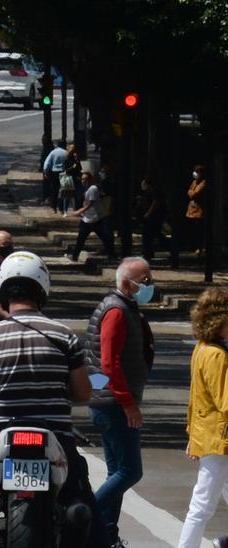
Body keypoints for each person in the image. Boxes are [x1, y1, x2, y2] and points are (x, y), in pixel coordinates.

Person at [0, 251, 103, 548]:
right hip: (55, 436)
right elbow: (84, 393)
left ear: (4, 290)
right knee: (80, 490)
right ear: (42, 289)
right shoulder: (65, 336)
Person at [87, 257, 155, 547]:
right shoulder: (116, 310)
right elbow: (109, 363)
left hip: (108, 399)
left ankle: (106, 536)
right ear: (128, 283)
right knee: (130, 471)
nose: (150, 285)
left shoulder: (125, 307)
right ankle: (84, 515)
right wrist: (128, 403)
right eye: (145, 280)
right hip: (112, 403)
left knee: (117, 473)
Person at [177, 286, 228, 548]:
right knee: (203, 504)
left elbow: (196, 397)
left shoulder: (202, 348)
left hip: (211, 436)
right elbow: (226, 402)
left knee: (205, 501)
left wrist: (192, 433)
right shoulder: (217, 355)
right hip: (220, 440)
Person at [70, 172, 118, 263]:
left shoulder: (93, 188)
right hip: (88, 218)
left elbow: (91, 204)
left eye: (86, 179)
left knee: (104, 237)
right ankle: (75, 256)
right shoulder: (87, 189)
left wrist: (80, 211)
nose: (84, 181)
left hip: (95, 218)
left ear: (90, 180)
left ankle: (112, 255)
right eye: (83, 179)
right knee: (81, 238)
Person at [138, 178, 170, 262]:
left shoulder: (153, 191)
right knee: (154, 234)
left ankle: (148, 253)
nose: (142, 185)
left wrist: (148, 213)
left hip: (153, 217)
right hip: (150, 216)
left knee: (149, 235)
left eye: (143, 183)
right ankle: (149, 253)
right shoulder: (147, 192)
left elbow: (155, 202)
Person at [183, 165, 209, 259]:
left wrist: (191, 192)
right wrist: (191, 192)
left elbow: (195, 193)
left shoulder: (204, 182)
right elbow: (189, 191)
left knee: (200, 230)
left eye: (197, 172)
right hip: (192, 210)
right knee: (194, 230)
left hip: (199, 211)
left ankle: (201, 248)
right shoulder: (194, 182)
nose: (195, 174)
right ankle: (196, 247)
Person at [43, 140, 68, 209]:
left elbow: (47, 163)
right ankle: (62, 207)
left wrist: (45, 171)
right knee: (64, 190)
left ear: (56, 145)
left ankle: (54, 206)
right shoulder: (66, 152)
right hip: (64, 172)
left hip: (55, 172)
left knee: (54, 190)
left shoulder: (53, 152)